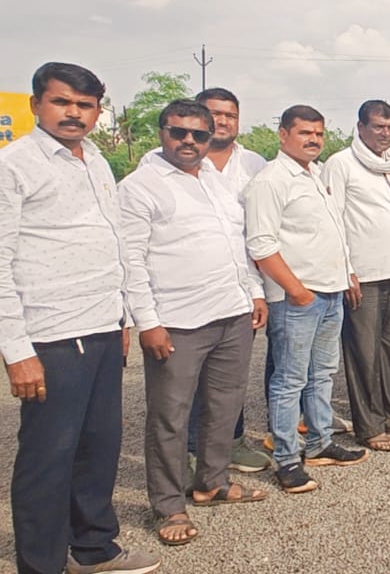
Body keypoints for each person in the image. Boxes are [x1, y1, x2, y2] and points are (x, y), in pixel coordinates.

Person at [0, 62, 160, 574]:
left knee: (98, 448)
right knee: (49, 460)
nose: (74, 113)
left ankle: (94, 547)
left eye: (85, 105)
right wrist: (16, 350)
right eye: (62, 102)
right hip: (51, 336)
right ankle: (41, 564)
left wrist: (123, 318)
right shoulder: (14, 166)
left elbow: (113, 242)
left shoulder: (94, 159)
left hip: (101, 326)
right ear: (36, 105)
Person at [119, 99, 269, 546]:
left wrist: (255, 293)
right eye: (178, 132)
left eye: (198, 134)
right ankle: (168, 505)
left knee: (224, 406)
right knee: (171, 417)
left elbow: (238, 243)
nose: (188, 141)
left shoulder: (215, 181)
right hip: (177, 322)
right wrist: (147, 322)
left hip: (232, 312)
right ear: (161, 132)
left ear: (209, 138)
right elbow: (131, 260)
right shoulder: (140, 186)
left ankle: (213, 482)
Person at [245, 105, 369, 495]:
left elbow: (330, 231)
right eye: (304, 133)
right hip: (297, 298)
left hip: (330, 292)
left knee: (322, 373)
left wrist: (345, 272)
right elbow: (261, 245)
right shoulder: (270, 180)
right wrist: (297, 291)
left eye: (318, 133)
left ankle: (319, 442)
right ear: (283, 135)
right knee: (289, 380)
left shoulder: (315, 175)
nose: (314, 140)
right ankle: (286, 459)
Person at [322, 100, 390, 453]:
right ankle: (368, 426)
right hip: (364, 276)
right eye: (377, 127)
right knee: (364, 355)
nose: (384, 133)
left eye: (389, 127)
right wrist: (346, 271)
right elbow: (333, 219)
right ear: (360, 128)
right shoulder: (341, 164)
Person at [183, 87, 272, 474]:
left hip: (242, 289)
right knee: (185, 380)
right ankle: (187, 453)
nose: (222, 121)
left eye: (230, 115)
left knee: (230, 378)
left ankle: (230, 444)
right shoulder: (169, 164)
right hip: (187, 293)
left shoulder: (254, 164)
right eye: (214, 114)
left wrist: (257, 289)